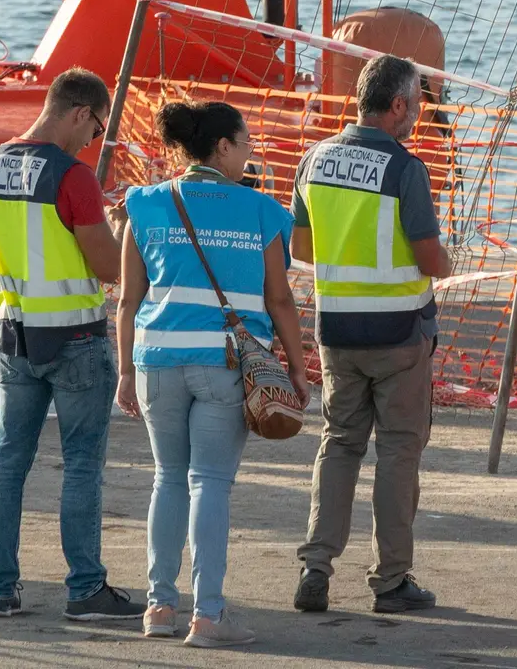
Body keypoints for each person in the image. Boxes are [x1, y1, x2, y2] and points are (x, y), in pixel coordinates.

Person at [115, 100, 311, 647]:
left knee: (167, 478)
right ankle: (208, 615)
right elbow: (280, 301)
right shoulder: (261, 210)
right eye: (245, 141)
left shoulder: (145, 203)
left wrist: (125, 373)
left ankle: (158, 607)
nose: (251, 151)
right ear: (222, 146)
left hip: (157, 359)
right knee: (210, 484)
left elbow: (129, 301)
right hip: (226, 364)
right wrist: (296, 370)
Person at [0, 67, 143, 621]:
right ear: (80, 113)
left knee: (8, 459)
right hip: (76, 340)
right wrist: (119, 223)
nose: (94, 141)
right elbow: (109, 268)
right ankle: (85, 588)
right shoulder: (72, 177)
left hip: (14, 337)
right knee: (82, 464)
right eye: (96, 129)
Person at [290, 55, 452, 614]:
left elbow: (302, 249)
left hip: (336, 332)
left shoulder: (315, 158)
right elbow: (430, 257)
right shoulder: (404, 167)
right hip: (400, 333)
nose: (419, 117)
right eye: (418, 105)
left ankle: (316, 565)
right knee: (399, 453)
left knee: (338, 444)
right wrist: (447, 263)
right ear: (399, 104)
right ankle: (390, 579)